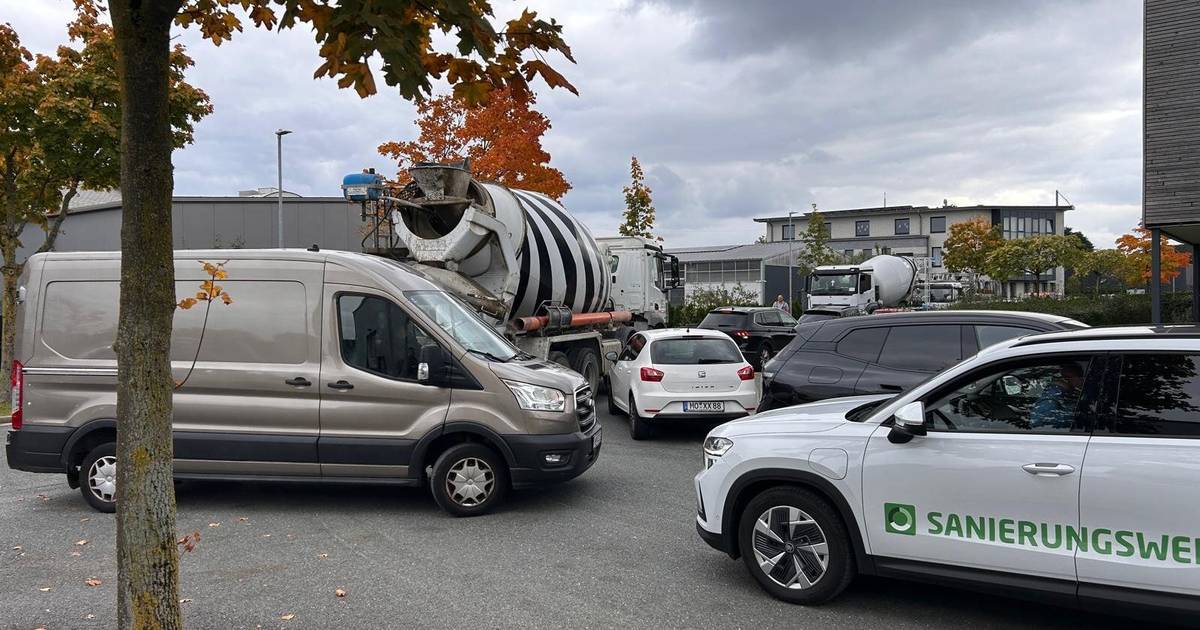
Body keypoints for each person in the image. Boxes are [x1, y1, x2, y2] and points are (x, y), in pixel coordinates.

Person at [1028, 363, 1086, 430]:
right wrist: (1078, 416)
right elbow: (1038, 421)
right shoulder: (1052, 396)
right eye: (1080, 376)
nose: (1083, 380)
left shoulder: (1066, 394)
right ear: (1069, 377)